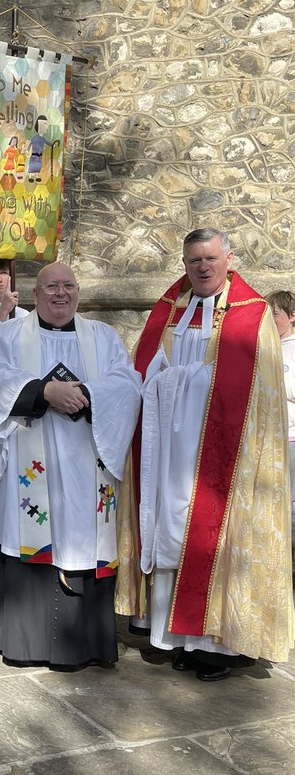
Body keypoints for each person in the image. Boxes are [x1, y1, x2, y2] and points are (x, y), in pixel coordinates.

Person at [117, 230, 294, 678]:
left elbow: (257, 396)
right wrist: (168, 382)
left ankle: (219, 646)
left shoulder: (251, 316)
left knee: (217, 537)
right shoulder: (169, 307)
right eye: (193, 259)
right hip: (169, 451)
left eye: (210, 258)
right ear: (184, 261)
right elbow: (145, 367)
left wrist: (181, 382)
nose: (202, 267)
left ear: (229, 258)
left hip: (223, 459)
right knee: (169, 527)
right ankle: (175, 635)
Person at [0, 262, 141, 669]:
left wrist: (85, 393)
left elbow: (126, 383)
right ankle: (26, 644)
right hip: (31, 463)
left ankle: (86, 645)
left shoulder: (102, 337)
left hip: (89, 462)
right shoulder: (11, 334)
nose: (60, 293)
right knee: (33, 531)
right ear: (34, 295)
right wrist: (44, 391)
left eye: (68, 286)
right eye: (51, 286)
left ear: (78, 292)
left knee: (85, 537)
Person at [267, 289, 295, 561]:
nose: (270, 320)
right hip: (269, 440)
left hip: (291, 439)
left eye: (274, 314)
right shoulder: (266, 347)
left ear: (292, 316)